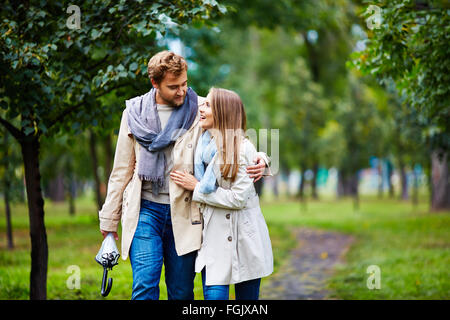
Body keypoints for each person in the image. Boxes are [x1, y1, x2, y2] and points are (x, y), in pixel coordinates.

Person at [98, 51, 271, 300]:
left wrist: (263, 159)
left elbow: (236, 135)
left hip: (187, 212)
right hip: (144, 210)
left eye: (185, 84)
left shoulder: (199, 108)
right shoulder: (133, 113)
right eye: (173, 87)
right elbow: (121, 171)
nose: (181, 92)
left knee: (180, 292)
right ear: (155, 83)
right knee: (144, 286)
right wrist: (108, 222)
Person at [170, 88, 273, 300]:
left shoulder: (243, 149)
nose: (201, 107)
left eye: (208, 105)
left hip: (245, 238)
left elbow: (238, 198)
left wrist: (197, 188)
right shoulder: (200, 144)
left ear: (222, 112)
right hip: (214, 238)